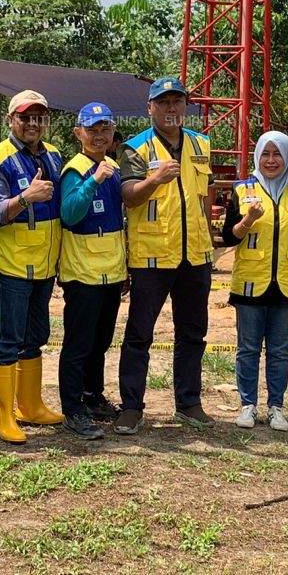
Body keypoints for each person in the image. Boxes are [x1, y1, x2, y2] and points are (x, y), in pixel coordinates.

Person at [115, 76, 216, 434]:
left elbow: (204, 199)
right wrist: (154, 179)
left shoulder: (201, 144)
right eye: (164, 102)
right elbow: (128, 196)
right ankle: (131, 407)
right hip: (151, 258)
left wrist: (210, 248)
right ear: (150, 108)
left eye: (177, 101)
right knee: (140, 334)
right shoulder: (134, 148)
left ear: (185, 106)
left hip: (195, 257)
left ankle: (189, 402)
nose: (171, 108)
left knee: (193, 333)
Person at [0, 90, 66, 443]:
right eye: (25, 117)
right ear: (11, 119)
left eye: (39, 117)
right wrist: (23, 198)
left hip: (45, 268)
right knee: (8, 340)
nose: (33, 123)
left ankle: (30, 405)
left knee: (36, 338)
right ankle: (4, 415)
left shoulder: (56, 157)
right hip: (12, 268)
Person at [221, 131, 288, 431]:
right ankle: (248, 405)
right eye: (265, 154)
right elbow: (226, 236)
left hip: (287, 285)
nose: (271, 160)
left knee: (279, 351)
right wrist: (247, 220)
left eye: (277, 154)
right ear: (257, 157)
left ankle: (276, 406)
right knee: (248, 348)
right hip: (250, 283)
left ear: (287, 158)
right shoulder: (241, 190)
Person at [57, 101, 128, 440]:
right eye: (92, 129)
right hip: (82, 272)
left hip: (111, 272)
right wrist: (93, 181)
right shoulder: (75, 169)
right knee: (79, 343)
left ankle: (92, 395)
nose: (99, 135)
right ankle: (72, 409)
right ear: (78, 133)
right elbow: (69, 213)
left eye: (105, 129)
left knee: (100, 341)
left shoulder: (112, 166)